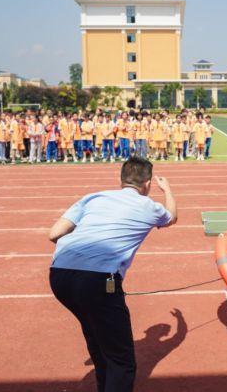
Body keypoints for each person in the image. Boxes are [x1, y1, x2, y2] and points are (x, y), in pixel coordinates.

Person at [49, 157, 177, 392]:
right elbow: (172, 217)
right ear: (147, 184)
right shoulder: (150, 206)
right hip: (100, 280)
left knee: (97, 336)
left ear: (121, 181)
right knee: (122, 360)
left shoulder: (94, 197)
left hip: (59, 276)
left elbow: (54, 233)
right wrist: (167, 189)